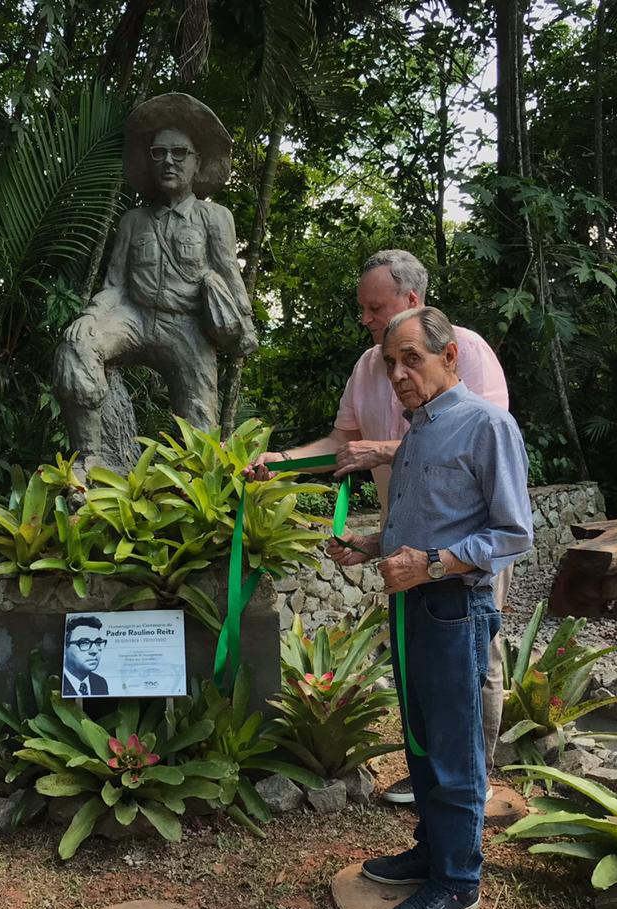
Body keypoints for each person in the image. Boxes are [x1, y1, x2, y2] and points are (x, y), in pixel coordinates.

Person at [247, 249, 511, 805]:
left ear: (412, 301)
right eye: (364, 309)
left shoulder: (467, 353)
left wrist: (379, 451)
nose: (364, 319)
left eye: (374, 307)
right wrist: (284, 459)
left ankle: (472, 781)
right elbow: (343, 445)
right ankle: (431, 778)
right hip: (400, 541)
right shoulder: (369, 366)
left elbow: (477, 442)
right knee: (415, 661)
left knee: (473, 661)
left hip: (464, 548)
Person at [329, 306, 531, 909]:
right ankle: (431, 849)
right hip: (412, 603)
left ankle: (459, 879)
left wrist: (434, 565)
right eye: (391, 363)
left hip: (453, 609)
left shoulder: (486, 426)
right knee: (420, 737)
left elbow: (513, 534)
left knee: (454, 748)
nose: (398, 373)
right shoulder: (418, 430)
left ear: (449, 357)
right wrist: (374, 547)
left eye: (410, 358)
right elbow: (421, 523)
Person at [54, 92, 257, 466]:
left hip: (187, 326)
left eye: (179, 154)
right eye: (159, 153)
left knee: (200, 421)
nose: (168, 162)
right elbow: (115, 284)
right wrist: (90, 317)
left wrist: (243, 324)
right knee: (77, 346)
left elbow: (229, 272)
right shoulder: (134, 220)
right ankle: (90, 460)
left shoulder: (216, 219)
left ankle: (193, 491)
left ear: (197, 163)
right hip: (134, 315)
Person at [60, 615, 110, 697]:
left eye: (98, 642)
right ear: (65, 647)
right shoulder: (56, 682)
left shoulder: (100, 683)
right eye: (84, 643)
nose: (94, 651)